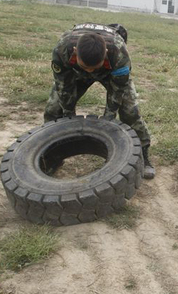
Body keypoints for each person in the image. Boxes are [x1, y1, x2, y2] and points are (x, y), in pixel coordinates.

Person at [44, 22, 156, 179]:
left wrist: (108, 119)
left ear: (106, 51)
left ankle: (143, 153)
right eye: (87, 67)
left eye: (94, 67)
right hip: (76, 73)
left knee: (130, 112)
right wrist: (68, 114)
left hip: (109, 73)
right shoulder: (63, 49)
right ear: (75, 51)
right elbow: (64, 86)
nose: (90, 71)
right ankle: (52, 155)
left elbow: (118, 90)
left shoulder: (119, 53)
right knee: (54, 110)